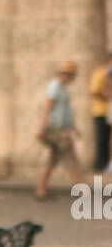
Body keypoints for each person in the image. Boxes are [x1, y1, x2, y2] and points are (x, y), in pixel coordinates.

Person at [35, 59, 82, 201]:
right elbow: (48, 108)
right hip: (58, 131)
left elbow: (66, 111)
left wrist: (74, 127)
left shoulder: (62, 88)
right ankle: (83, 193)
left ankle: (40, 191)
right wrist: (41, 128)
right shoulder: (55, 87)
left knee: (51, 161)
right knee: (72, 161)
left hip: (62, 129)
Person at [89, 52, 112, 172]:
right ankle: (99, 164)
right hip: (101, 111)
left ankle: (106, 163)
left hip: (109, 111)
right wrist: (107, 96)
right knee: (101, 138)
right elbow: (94, 91)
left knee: (108, 138)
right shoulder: (100, 73)